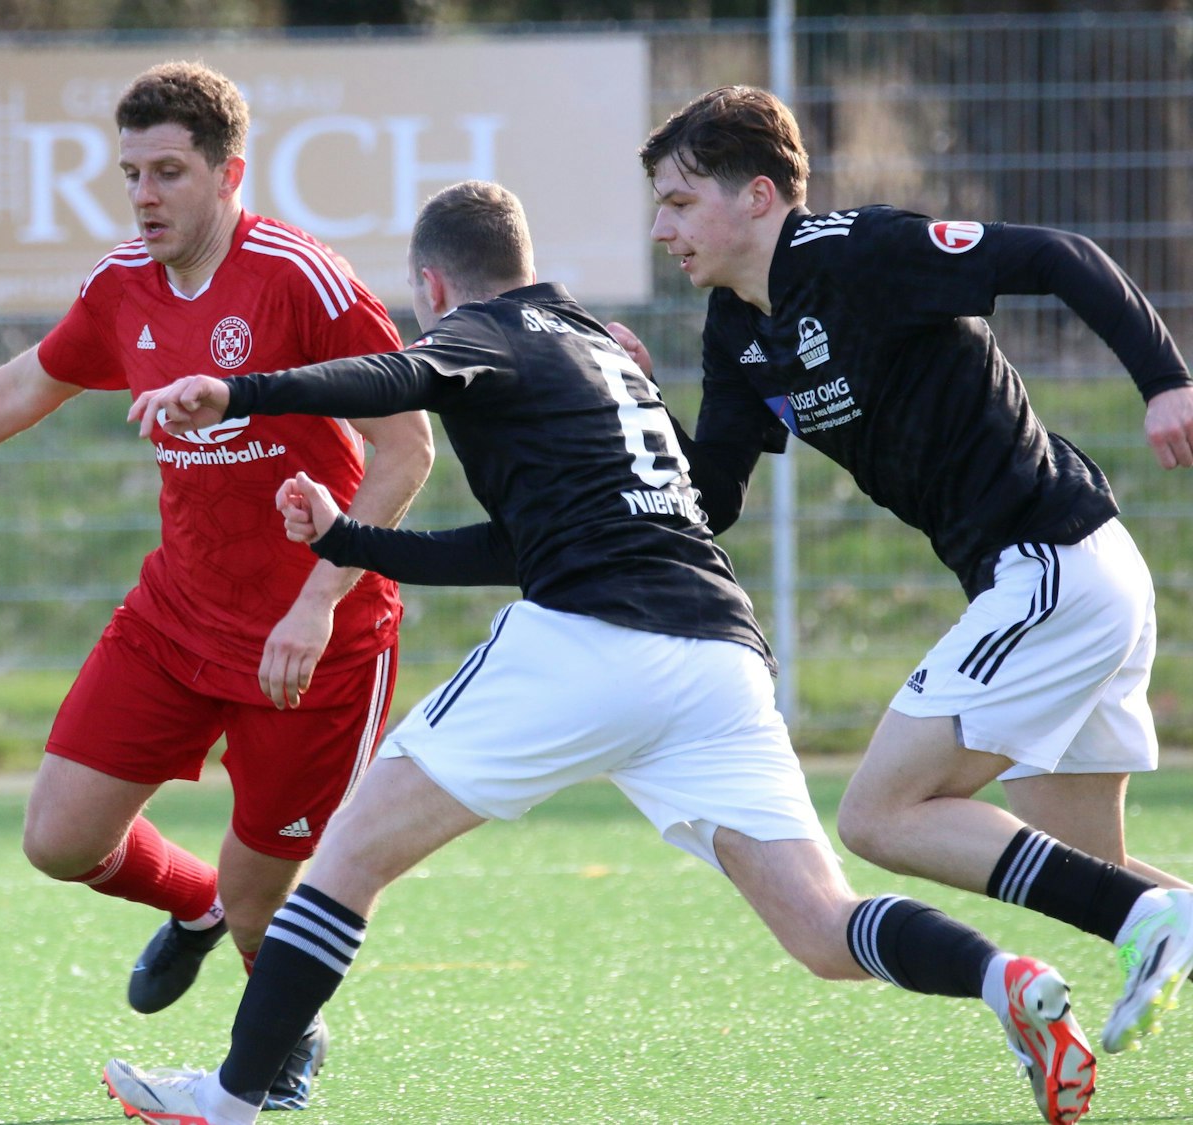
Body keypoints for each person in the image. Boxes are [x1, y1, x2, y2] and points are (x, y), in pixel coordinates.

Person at [102, 180, 1097, 1125]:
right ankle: (1001, 977)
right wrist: (347, 541)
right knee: (820, 926)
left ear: (432, 286)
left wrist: (238, 392)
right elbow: (519, 546)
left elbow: (398, 376)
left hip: (589, 639)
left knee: (349, 856)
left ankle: (228, 1101)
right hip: (718, 660)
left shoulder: (483, 331)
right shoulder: (598, 349)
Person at [0, 60, 432, 1108]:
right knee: (60, 840)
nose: (143, 196)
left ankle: (280, 1034)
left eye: (168, 172)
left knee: (266, 902)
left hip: (317, 643)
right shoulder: (123, 283)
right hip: (179, 614)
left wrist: (317, 602)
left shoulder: (301, 279)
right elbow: (25, 383)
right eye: (130, 174)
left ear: (229, 174)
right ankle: (195, 905)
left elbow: (407, 448)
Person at [615, 84, 1193, 1059]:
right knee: (1092, 870)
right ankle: (1161, 916)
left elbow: (1058, 255)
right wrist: (638, 398)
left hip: (1051, 568)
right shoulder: (734, 327)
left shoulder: (863, 252)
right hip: (1067, 579)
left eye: (677, 202)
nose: (660, 228)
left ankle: (1153, 922)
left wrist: (1165, 380)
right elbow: (711, 497)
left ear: (756, 195)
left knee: (878, 815)